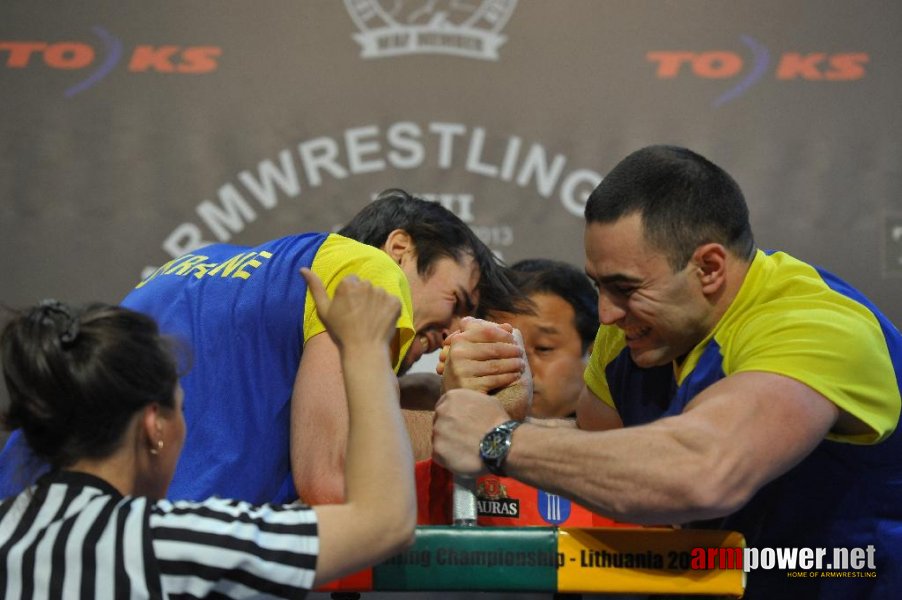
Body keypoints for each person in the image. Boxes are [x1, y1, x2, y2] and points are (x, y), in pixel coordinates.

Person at [432, 145, 901, 598]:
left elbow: (702, 471)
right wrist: (509, 410)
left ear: (710, 267)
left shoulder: (816, 326)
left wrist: (500, 439)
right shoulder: (633, 330)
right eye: (598, 285)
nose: (606, 313)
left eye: (624, 287)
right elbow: (600, 457)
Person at [0, 188, 523, 507]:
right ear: (400, 248)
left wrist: (422, 392)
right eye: (457, 299)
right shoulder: (369, 270)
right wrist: (485, 417)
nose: (455, 326)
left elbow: (250, 400)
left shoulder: (204, 266)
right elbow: (333, 478)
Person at [0, 274, 415, 599]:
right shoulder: (172, 541)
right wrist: (364, 347)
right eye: (183, 410)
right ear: (154, 427)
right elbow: (383, 524)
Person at [490, 259, 599, 419]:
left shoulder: (626, 434)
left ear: (593, 351)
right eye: (503, 349)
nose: (522, 369)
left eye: (543, 348)